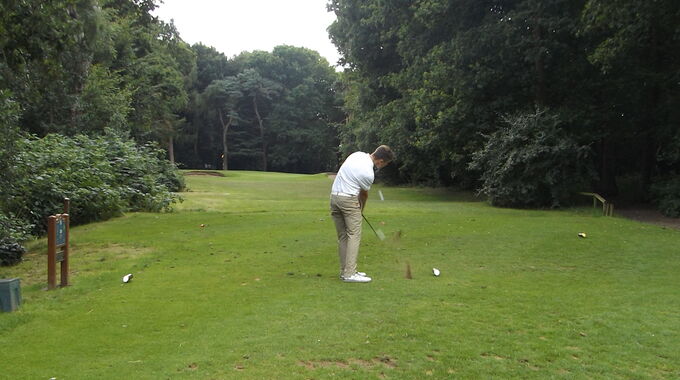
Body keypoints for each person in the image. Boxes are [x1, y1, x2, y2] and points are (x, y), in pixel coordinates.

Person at [330, 145, 395, 283]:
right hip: (348, 199)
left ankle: (345, 271)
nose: (382, 166)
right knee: (354, 235)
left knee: (343, 236)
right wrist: (360, 210)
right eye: (385, 164)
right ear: (380, 161)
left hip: (334, 198)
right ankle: (350, 274)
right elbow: (363, 195)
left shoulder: (357, 155)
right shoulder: (368, 173)